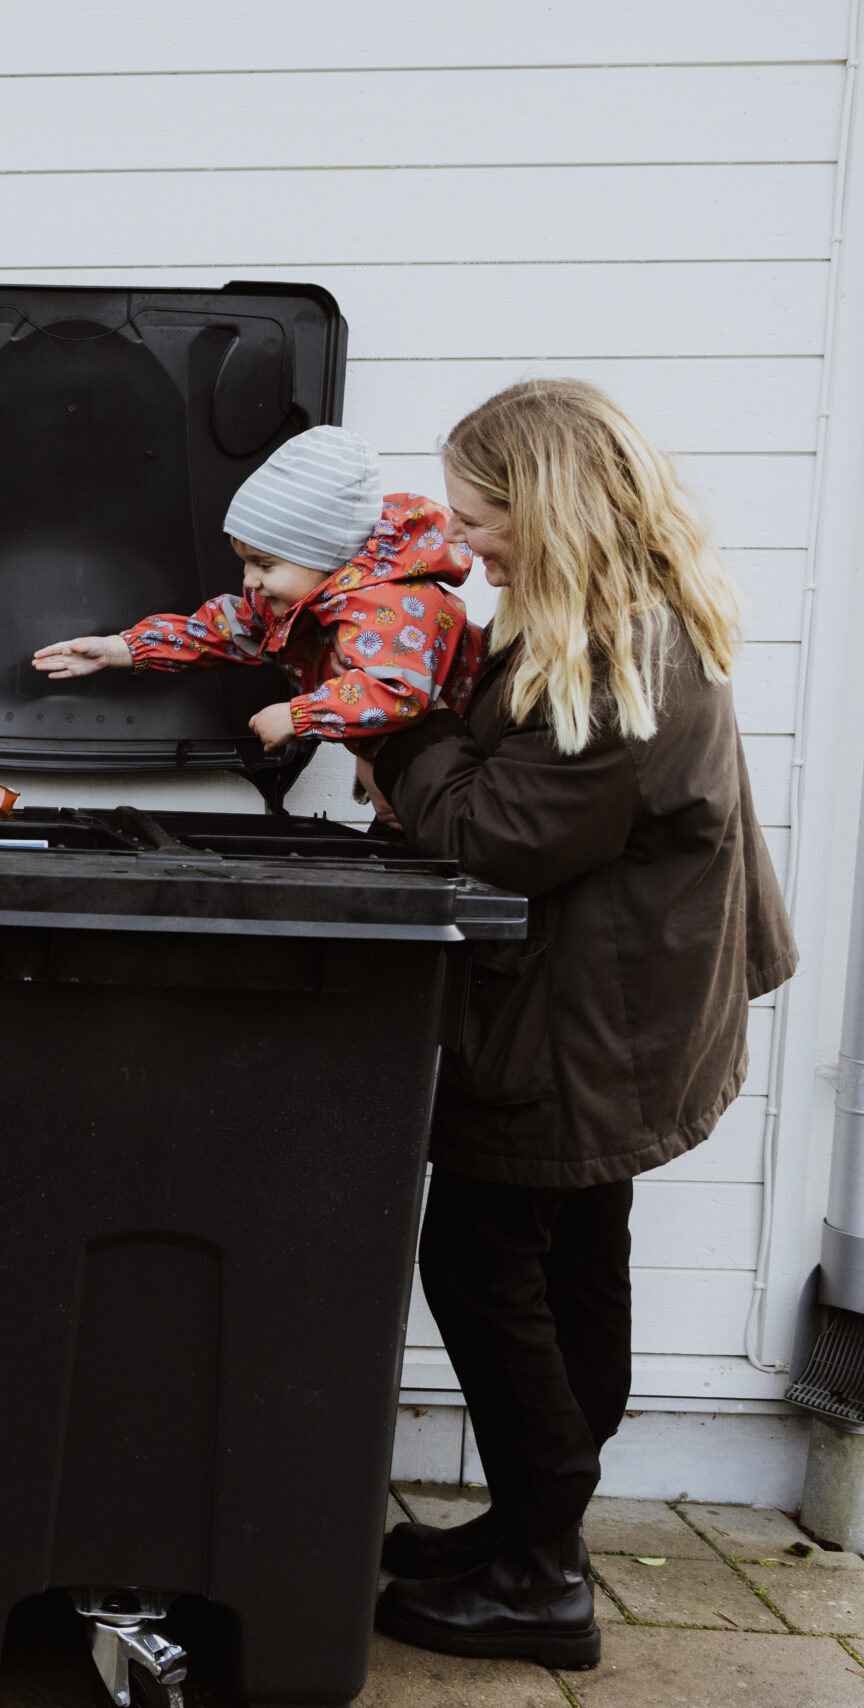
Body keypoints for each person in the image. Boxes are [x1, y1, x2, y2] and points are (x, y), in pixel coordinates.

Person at [364, 380, 796, 1667]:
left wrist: (399, 732)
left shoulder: (612, 656)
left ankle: (543, 1576)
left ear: (543, 509)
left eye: (479, 518)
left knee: (486, 1266)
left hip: (583, 1027)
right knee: (564, 1258)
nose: (467, 543)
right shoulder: (603, 614)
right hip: (610, 1005)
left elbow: (498, 833)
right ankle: (527, 1528)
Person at [31, 425, 483, 750]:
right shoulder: (305, 596)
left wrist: (297, 715)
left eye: (264, 564)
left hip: (463, 757)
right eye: (246, 561)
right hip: (408, 765)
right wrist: (119, 649)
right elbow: (217, 632)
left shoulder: (398, 602)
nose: (249, 580)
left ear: (327, 556)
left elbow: (398, 693)